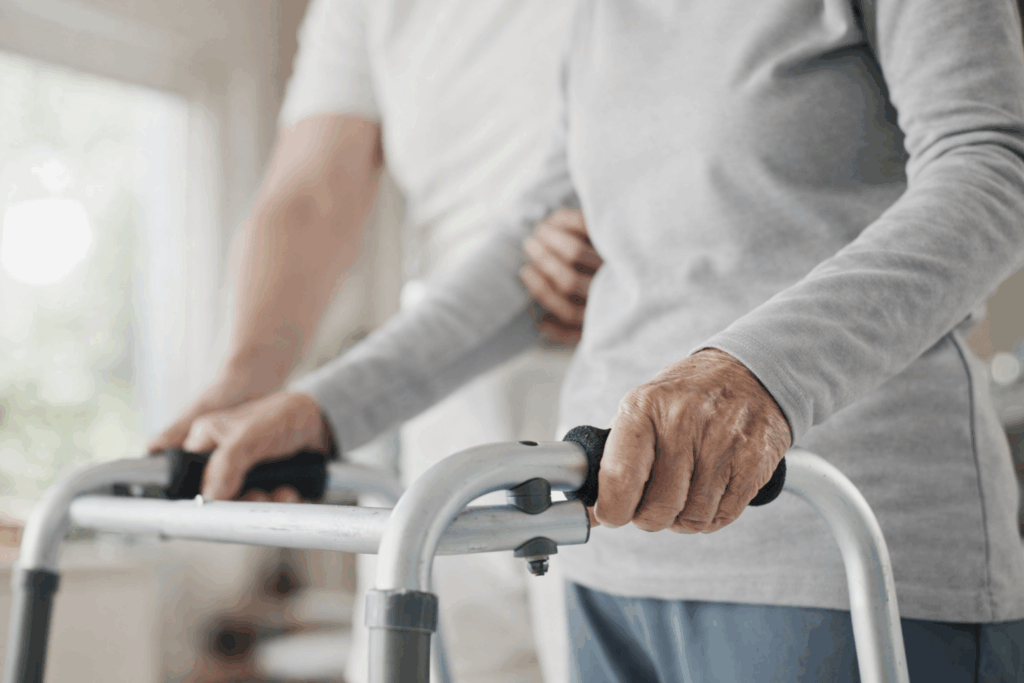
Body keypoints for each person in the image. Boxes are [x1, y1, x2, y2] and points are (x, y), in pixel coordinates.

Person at [161, 0, 1024, 680]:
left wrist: (755, 375)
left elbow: (990, 170)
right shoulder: (601, 16)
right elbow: (520, 252)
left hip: (837, 552)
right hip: (611, 570)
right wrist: (320, 411)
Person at [147, 1, 595, 681]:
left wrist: (641, 238)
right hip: (440, 399)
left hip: (622, 392)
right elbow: (310, 194)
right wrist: (243, 386)